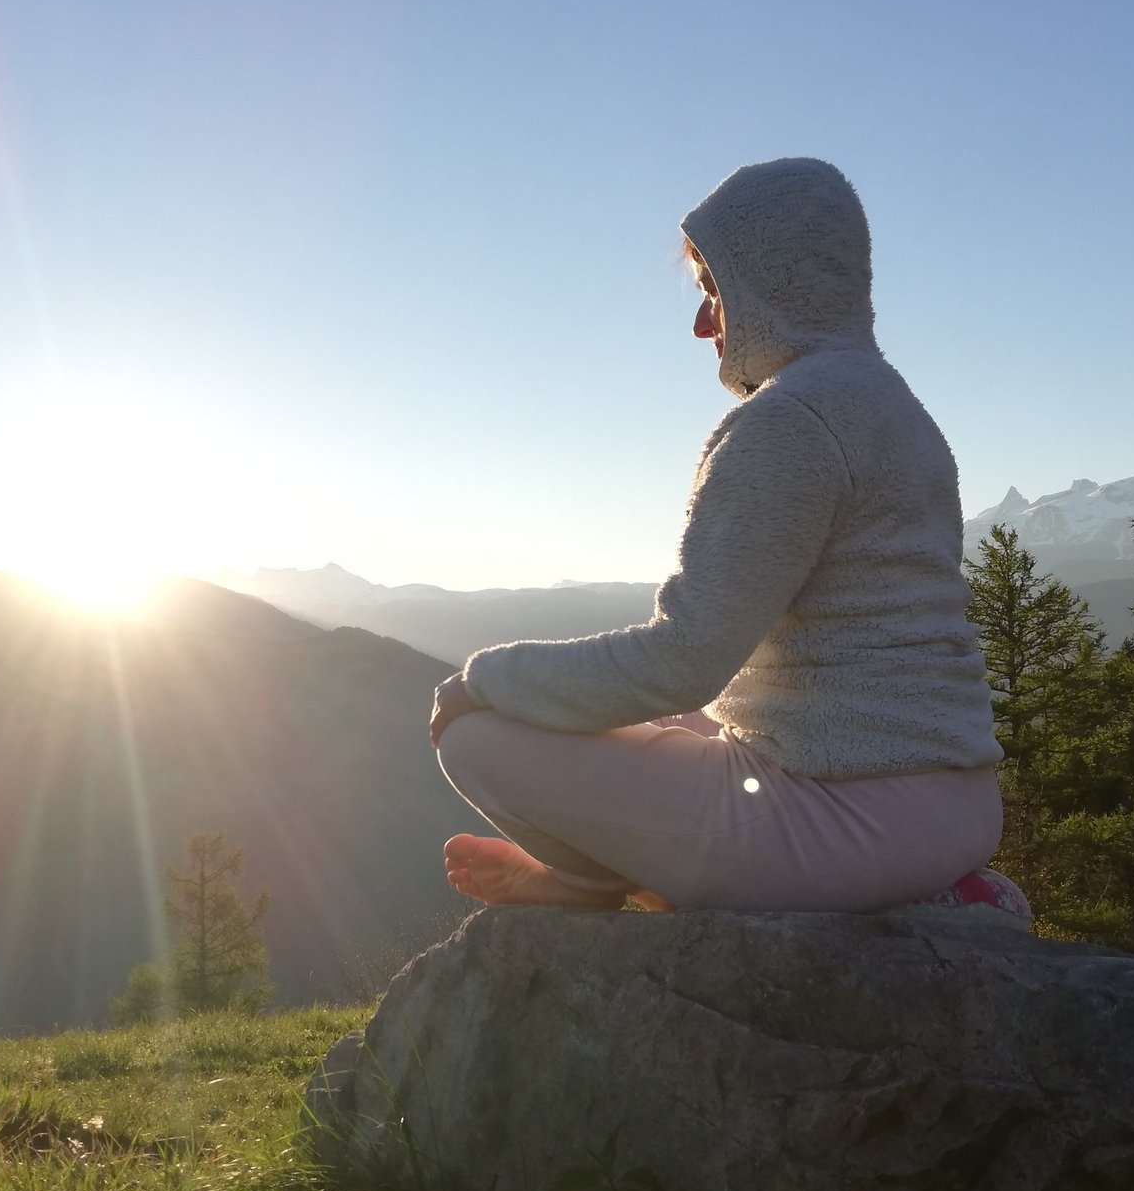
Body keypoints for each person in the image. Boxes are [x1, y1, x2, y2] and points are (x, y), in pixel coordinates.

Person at [428, 157, 1028, 925]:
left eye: (715, 292)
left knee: (479, 739)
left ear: (774, 285)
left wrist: (484, 681)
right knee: (661, 725)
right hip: (957, 803)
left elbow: (684, 661)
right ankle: (932, 883)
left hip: (847, 825)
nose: (703, 324)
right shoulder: (898, 410)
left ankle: (596, 882)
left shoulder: (791, 422)